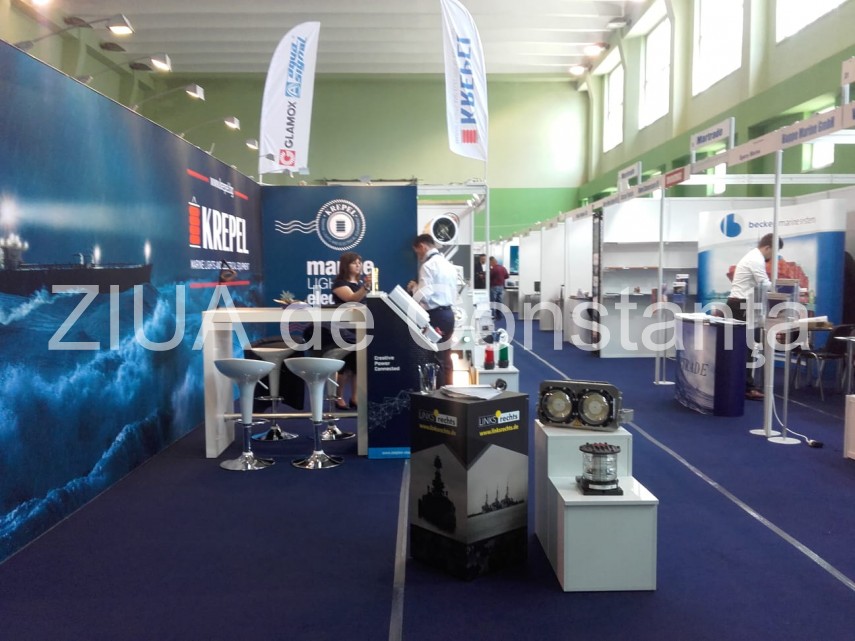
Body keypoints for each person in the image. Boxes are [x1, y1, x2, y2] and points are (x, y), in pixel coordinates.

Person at [726, 232, 783, 401]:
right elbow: (764, 284)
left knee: (743, 347)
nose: (773, 257)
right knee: (747, 347)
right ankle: (747, 387)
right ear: (768, 248)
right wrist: (783, 291)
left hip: (740, 305)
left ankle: (743, 385)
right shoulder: (756, 259)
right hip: (742, 306)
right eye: (774, 252)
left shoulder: (752, 256)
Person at [407, 234, 458, 386]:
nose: (418, 256)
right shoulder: (448, 265)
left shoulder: (428, 266)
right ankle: (449, 390)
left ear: (422, 247)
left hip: (436, 316)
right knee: (446, 357)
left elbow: (424, 295)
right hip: (449, 314)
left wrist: (414, 287)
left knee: (437, 358)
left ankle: (439, 394)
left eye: (417, 252)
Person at [328, 252, 372, 409]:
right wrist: (366, 287)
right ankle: (339, 396)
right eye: (354, 263)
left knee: (358, 365)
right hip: (344, 329)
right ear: (346, 266)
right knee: (345, 367)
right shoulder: (339, 284)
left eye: (360, 262)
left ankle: (355, 397)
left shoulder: (359, 283)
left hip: (360, 327)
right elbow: (352, 299)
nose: (358, 265)